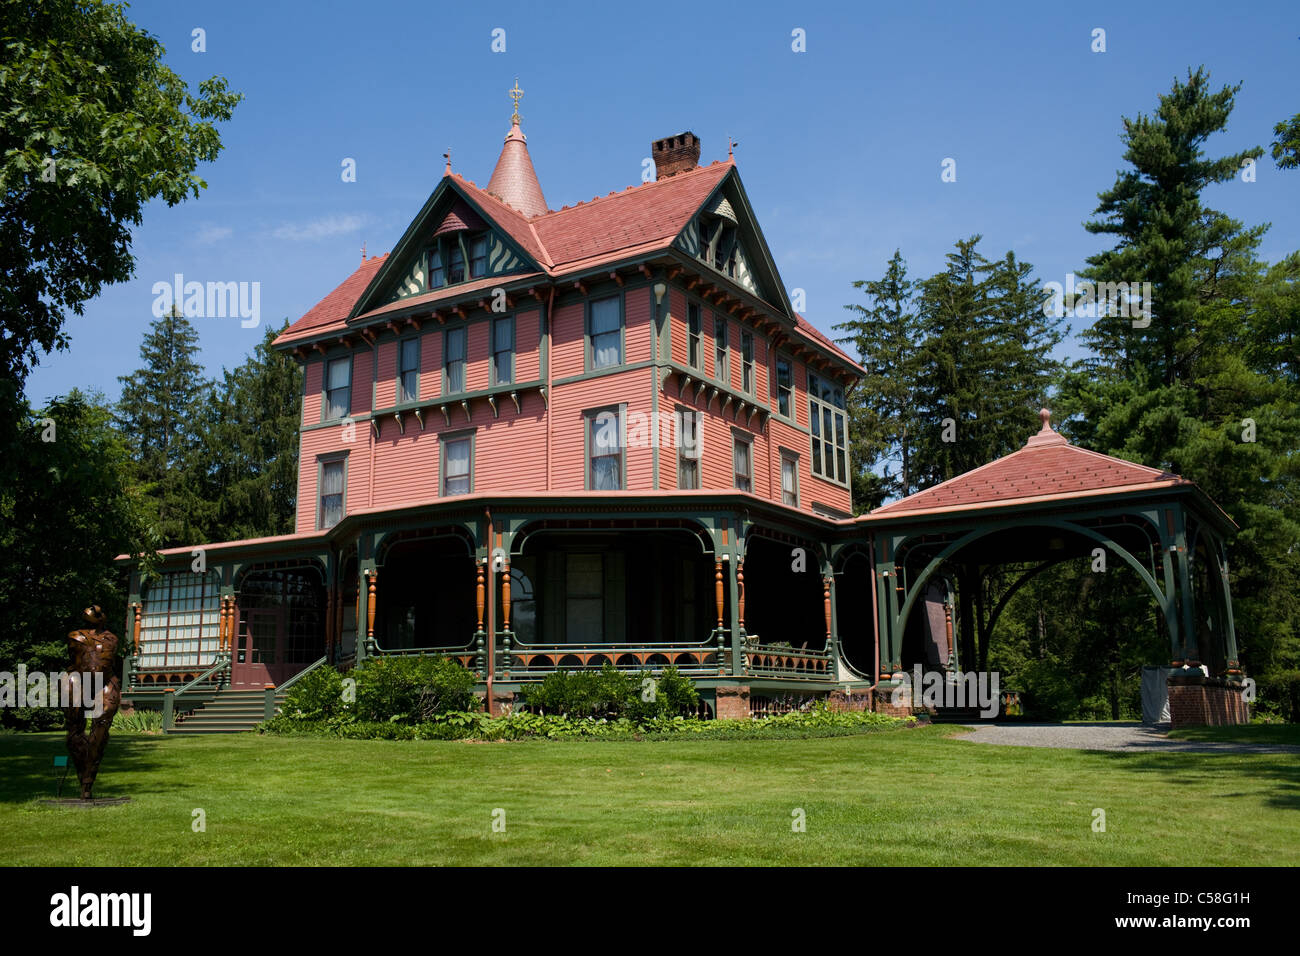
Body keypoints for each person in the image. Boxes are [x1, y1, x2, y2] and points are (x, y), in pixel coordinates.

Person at [64, 605, 121, 800]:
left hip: (105, 682)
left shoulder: (112, 639)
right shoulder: (75, 637)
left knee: (102, 725)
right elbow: (74, 660)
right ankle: (84, 773)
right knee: (74, 730)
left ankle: (88, 780)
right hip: (78, 680)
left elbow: (108, 662)